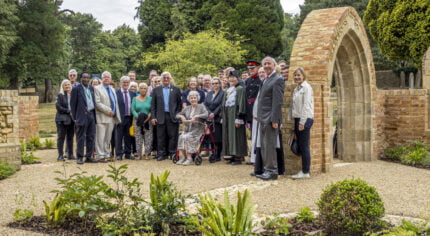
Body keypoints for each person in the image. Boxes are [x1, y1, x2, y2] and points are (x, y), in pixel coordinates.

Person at [254, 57, 285, 181]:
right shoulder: (266, 79)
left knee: (270, 145)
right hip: (262, 118)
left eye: (269, 63)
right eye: (265, 64)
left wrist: (275, 119)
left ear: (274, 65)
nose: (266, 66)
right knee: (264, 145)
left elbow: (277, 102)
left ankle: (272, 171)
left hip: (270, 119)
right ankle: (267, 169)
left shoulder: (278, 79)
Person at [151, 71, 182, 161]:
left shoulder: (176, 89)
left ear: (170, 79)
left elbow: (179, 105)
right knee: (160, 136)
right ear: (161, 79)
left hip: (172, 116)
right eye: (164, 77)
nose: (165, 79)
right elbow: (153, 105)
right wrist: (153, 117)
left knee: (173, 136)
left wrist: (177, 114)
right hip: (160, 116)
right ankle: (161, 154)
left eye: (167, 77)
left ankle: (172, 153)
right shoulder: (156, 90)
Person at [290, 67, 314, 179]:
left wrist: (302, 122)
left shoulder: (306, 88)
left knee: (304, 146)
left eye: (299, 75)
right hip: (298, 118)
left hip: (304, 119)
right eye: (295, 75)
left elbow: (306, 105)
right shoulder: (297, 89)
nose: (296, 77)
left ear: (303, 76)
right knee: (301, 144)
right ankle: (304, 170)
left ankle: (305, 171)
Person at [70, 72, 98, 164]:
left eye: (87, 77)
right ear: (81, 78)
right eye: (84, 77)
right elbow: (73, 105)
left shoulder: (91, 88)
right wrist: (75, 118)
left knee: (91, 137)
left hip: (91, 115)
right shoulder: (76, 89)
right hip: (81, 116)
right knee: (81, 137)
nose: (86, 79)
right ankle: (80, 156)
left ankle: (89, 156)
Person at [94, 71, 121, 162]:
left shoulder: (112, 89)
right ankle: (100, 156)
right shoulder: (97, 88)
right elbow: (97, 103)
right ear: (102, 78)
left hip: (111, 118)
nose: (106, 78)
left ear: (111, 79)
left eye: (108, 77)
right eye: (104, 77)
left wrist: (116, 115)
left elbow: (115, 103)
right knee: (100, 138)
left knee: (107, 138)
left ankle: (106, 154)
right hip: (102, 116)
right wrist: (108, 110)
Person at [221, 69, 247, 165]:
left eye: (233, 77)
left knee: (236, 135)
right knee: (229, 135)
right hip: (228, 115)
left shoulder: (240, 89)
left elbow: (241, 104)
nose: (231, 79)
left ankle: (238, 156)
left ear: (237, 78)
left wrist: (239, 117)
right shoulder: (227, 90)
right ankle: (231, 154)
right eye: (230, 78)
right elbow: (224, 104)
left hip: (235, 115)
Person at [176, 91, 209, 165]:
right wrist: (181, 116)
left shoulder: (201, 106)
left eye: (195, 98)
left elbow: (206, 114)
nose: (193, 99)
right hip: (188, 129)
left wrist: (197, 116)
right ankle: (183, 157)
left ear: (197, 98)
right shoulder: (187, 108)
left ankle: (189, 158)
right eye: (191, 98)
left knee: (188, 137)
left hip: (197, 130)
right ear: (189, 99)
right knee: (181, 137)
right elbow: (177, 114)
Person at [115, 76, 136, 160]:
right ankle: (119, 154)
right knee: (119, 136)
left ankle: (128, 153)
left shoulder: (132, 93)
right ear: (120, 83)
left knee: (128, 136)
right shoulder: (116, 93)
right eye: (124, 82)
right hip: (120, 118)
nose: (125, 84)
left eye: (127, 82)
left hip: (129, 118)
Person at [204, 77, 224, 163]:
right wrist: (209, 113)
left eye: (216, 83)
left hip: (218, 118)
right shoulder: (209, 93)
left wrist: (214, 113)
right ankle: (213, 153)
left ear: (220, 84)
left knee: (218, 137)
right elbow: (205, 104)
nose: (215, 85)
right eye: (213, 83)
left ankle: (218, 154)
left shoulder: (223, 93)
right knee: (211, 137)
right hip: (209, 118)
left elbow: (221, 105)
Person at [55, 79, 75, 161]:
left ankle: (70, 154)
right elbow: (58, 107)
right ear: (63, 86)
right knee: (61, 137)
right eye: (65, 85)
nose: (67, 86)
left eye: (69, 84)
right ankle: (60, 155)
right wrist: (68, 111)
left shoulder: (74, 95)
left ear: (71, 85)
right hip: (62, 119)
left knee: (70, 137)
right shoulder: (60, 95)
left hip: (71, 120)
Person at [132, 83, 153, 159]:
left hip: (148, 120)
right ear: (139, 89)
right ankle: (139, 154)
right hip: (137, 120)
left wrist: (149, 116)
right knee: (138, 137)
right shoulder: (135, 99)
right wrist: (138, 117)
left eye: (145, 88)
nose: (143, 90)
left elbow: (152, 109)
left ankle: (147, 154)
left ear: (147, 90)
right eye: (141, 88)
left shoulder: (150, 99)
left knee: (148, 137)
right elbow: (133, 109)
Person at [244, 60, 262, 147]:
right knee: (250, 134)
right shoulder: (247, 81)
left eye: (253, 68)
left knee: (257, 133)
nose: (251, 70)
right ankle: (252, 154)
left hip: (257, 109)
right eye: (249, 69)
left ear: (257, 68)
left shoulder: (261, 80)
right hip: (249, 110)